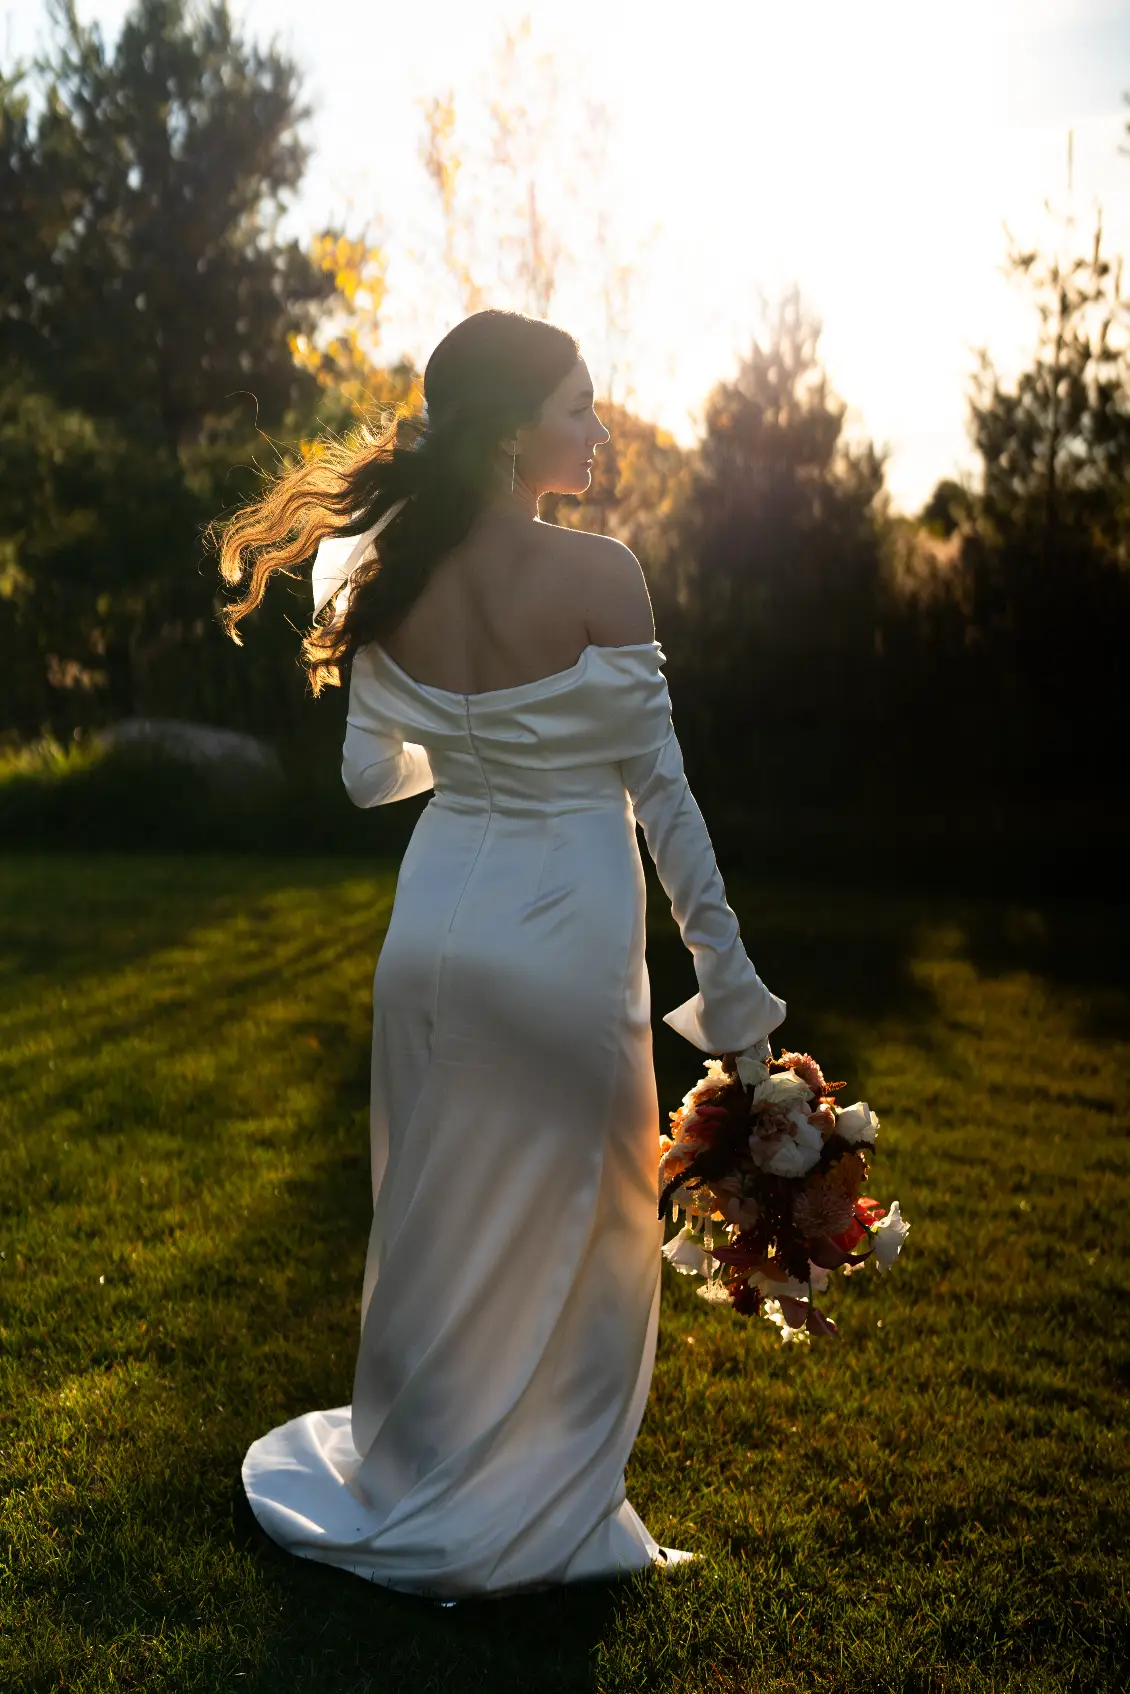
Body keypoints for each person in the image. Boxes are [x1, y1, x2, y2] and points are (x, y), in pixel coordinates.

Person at [215, 308, 787, 1603]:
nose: (598, 430)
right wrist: (737, 1010)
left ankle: (419, 1469)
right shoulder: (604, 576)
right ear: (520, 427)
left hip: (431, 939)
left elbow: (372, 780)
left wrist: (468, 739)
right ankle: (540, 1521)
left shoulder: (390, 578)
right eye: (581, 406)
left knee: (431, 1221)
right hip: (565, 939)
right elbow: (667, 803)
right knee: (591, 1231)